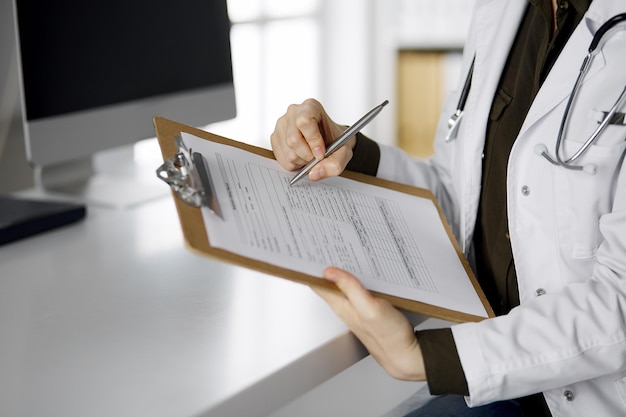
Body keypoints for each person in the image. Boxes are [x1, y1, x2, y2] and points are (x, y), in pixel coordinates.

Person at [270, 0, 626, 416]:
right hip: (505, 383)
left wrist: (428, 358)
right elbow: (463, 199)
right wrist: (350, 151)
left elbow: (619, 302)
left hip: (593, 397)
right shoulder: (504, 11)